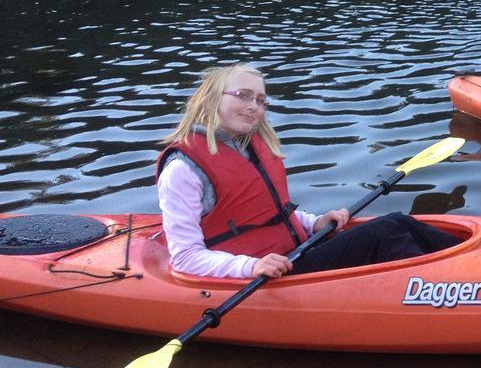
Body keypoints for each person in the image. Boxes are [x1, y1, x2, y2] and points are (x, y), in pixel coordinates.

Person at [157, 63, 459, 279]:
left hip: (297, 250)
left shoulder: (249, 146)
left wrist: (315, 223)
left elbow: (270, 214)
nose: (254, 107)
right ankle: (445, 286)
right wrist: (249, 267)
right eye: (244, 96)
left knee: (396, 220)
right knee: (385, 232)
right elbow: (184, 258)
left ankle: (469, 264)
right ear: (212, 98)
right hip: (267, 274)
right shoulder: (183, 169)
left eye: (261, 100)